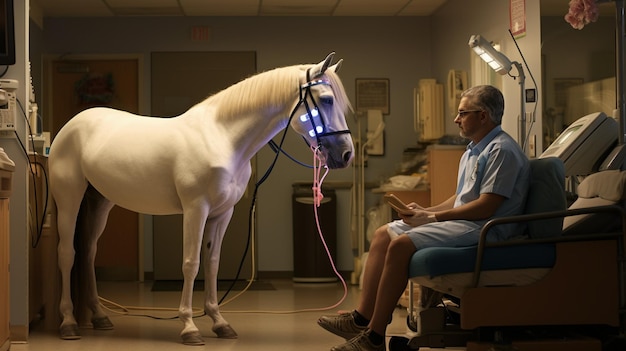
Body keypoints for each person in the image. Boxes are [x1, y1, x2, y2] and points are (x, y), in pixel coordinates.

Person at [318, 85, 530, 351]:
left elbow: (486, 207)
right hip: (469, 223)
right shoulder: (473, 151)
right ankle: (361, 318)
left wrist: (433, 218)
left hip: (487, 229)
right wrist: (425, 211)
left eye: (462, 113)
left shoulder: (502, 151)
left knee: (402, 244)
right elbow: (461, 197)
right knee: (384, 233)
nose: (456, 119)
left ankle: (373, 336)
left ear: (483, 116)